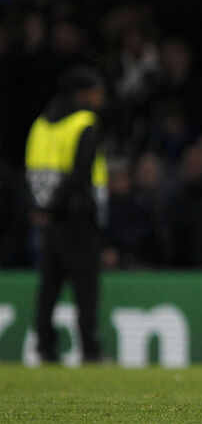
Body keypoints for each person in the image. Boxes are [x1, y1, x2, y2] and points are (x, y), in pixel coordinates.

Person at [25, 65, 109, 363]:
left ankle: (45, 346)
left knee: (50, 284)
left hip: (46, 218)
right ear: (81, 94)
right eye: (96, 90)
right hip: (76, 217)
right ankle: (90, 349)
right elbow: (79, 174)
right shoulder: (83, 122)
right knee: (85, 287)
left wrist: (41, 209)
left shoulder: (40, 125)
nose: (101, 97)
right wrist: (55, 206)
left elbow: (34, 171)